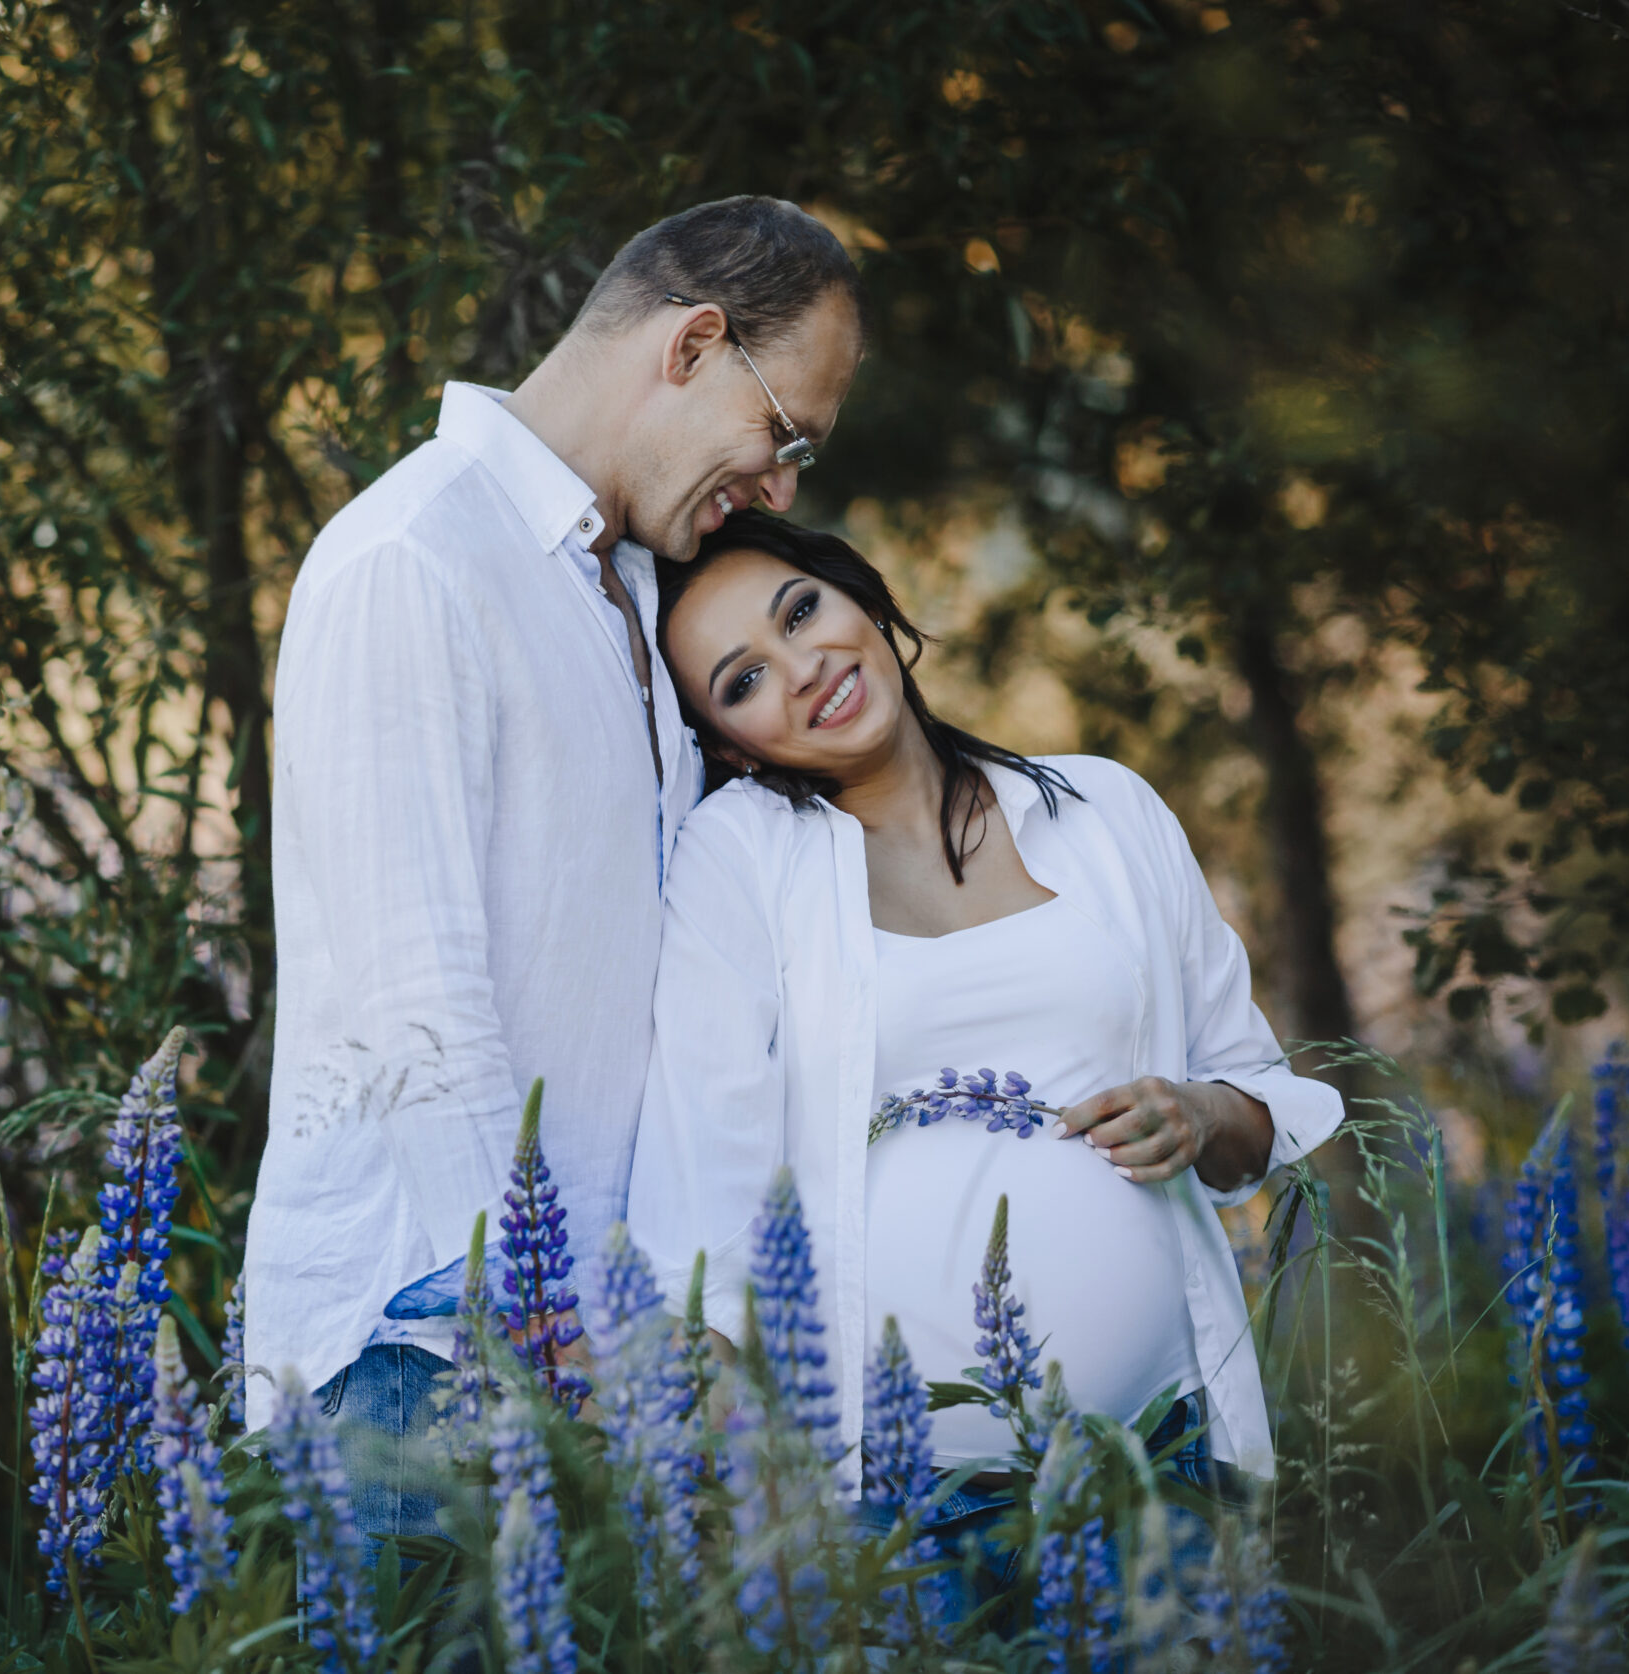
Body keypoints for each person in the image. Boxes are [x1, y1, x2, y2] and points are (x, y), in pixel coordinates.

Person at [243, 199, 866, 1539]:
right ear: (694, 344)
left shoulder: (642, 594)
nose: (783, 488)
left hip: (594, 1367)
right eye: (786, 432)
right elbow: (420, 1000)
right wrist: (545, 1337)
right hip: (421, 1362)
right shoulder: (417, 556)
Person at [628, 513, 1342, 1591]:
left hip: (1163, 1464)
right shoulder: (740, 864)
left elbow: (1257, 1111)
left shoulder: (1104, 807)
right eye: (742, 680)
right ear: (730, 744)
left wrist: (1198, 1109)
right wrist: (748, 1501)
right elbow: (700, 1204)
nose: (804, 666)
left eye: (801, 609)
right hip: (897, 1513)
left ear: (862, 597)